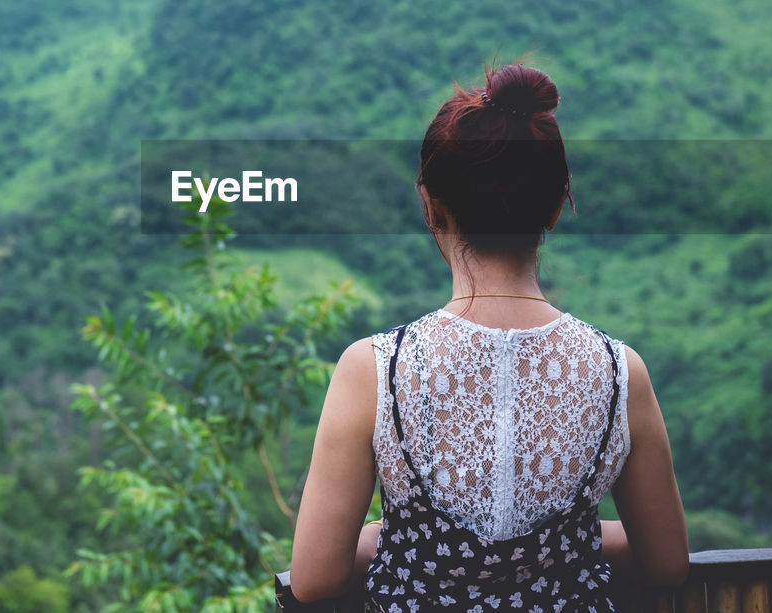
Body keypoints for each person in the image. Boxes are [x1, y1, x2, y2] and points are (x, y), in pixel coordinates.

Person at [289, 63, 689, 610]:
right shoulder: (619, 372)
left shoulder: (375, 369)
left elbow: (313, 578)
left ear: (432, 206)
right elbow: (667, 563)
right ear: (554, 204)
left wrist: (410, 539)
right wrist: (567, 540)